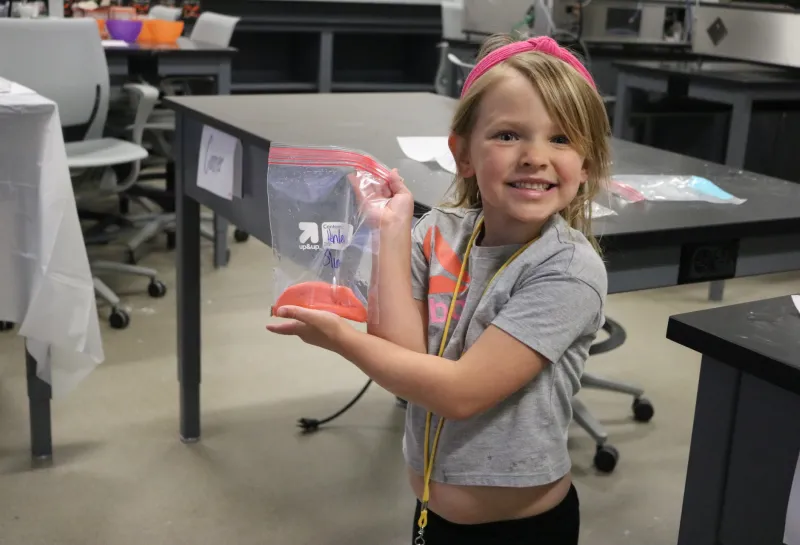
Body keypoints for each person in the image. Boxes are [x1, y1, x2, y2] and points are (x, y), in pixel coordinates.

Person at [267, 32, 611, 545]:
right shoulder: (437, 233)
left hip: (524, 531)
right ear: (463, 154)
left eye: (560, 139)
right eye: (508, 135)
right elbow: (405, 359)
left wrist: (341, 338)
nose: (536, 156)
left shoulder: (568, 268)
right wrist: (392, 227)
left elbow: (460, 394)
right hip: (432, 514)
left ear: (585, 166)